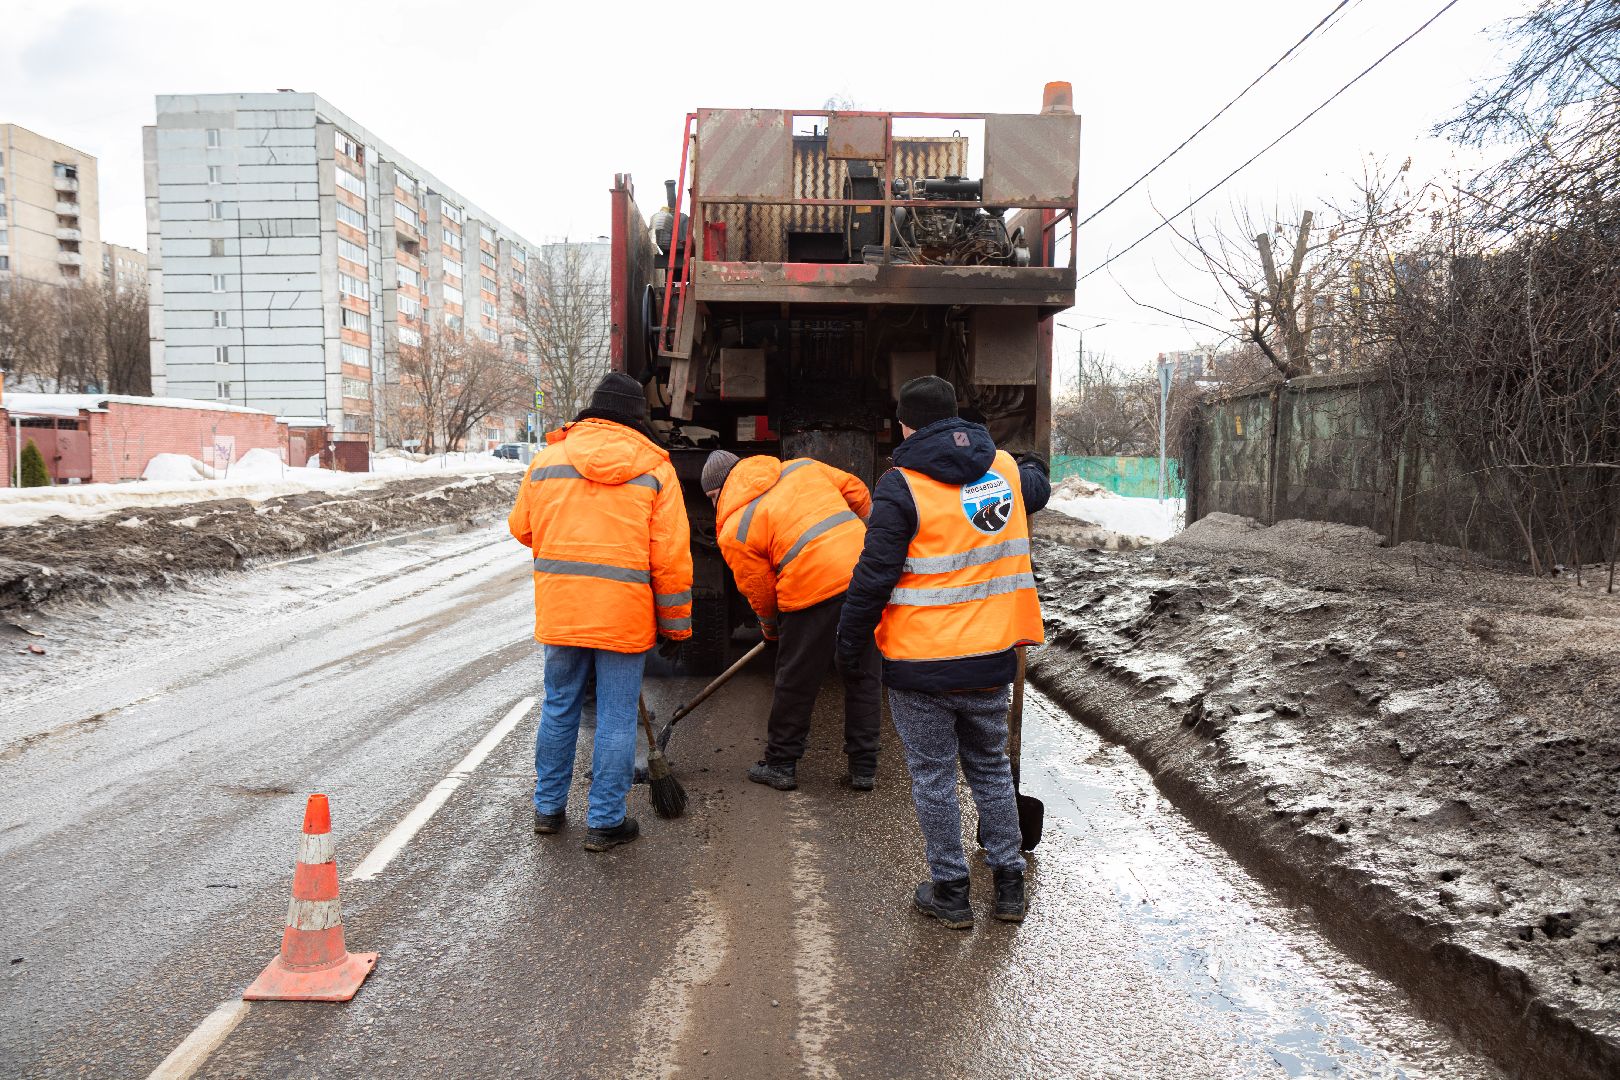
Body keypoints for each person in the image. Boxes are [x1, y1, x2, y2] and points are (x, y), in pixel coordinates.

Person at [836, 375, 1049, 926]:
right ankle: (1009, 886)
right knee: (990, 769)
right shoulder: (1002, 470)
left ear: (904, 424)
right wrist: (1034, 465)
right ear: (955, 416)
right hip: (989, 660)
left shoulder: (900, 485)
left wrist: (848, 641)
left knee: (933, 776)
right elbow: (1037, 483)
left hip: (920, 665)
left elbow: (874, 574)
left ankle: (951, 891)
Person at [508, 372, 693, 852]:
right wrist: (676, 626)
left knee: (559, 705)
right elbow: (670, 559)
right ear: (635, 418)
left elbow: (522, 528)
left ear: (591, 409)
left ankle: (548, 810)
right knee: (615, 717)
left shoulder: (548, 459)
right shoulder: (656, 468)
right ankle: (605, 822)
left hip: (563, 610)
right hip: (623, 617)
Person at [701, 448, 882, 792]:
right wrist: (867, 538)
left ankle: (781, 764)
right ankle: (864, 768)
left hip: (810, 590)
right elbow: (857, 489)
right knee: (863, 673)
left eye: (712, 498)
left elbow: (760, 591)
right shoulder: (803, 468)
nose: (714, 507)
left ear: (719, 491)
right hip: (864, 577)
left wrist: (771, 630)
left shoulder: (735, 529)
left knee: (796, 681)